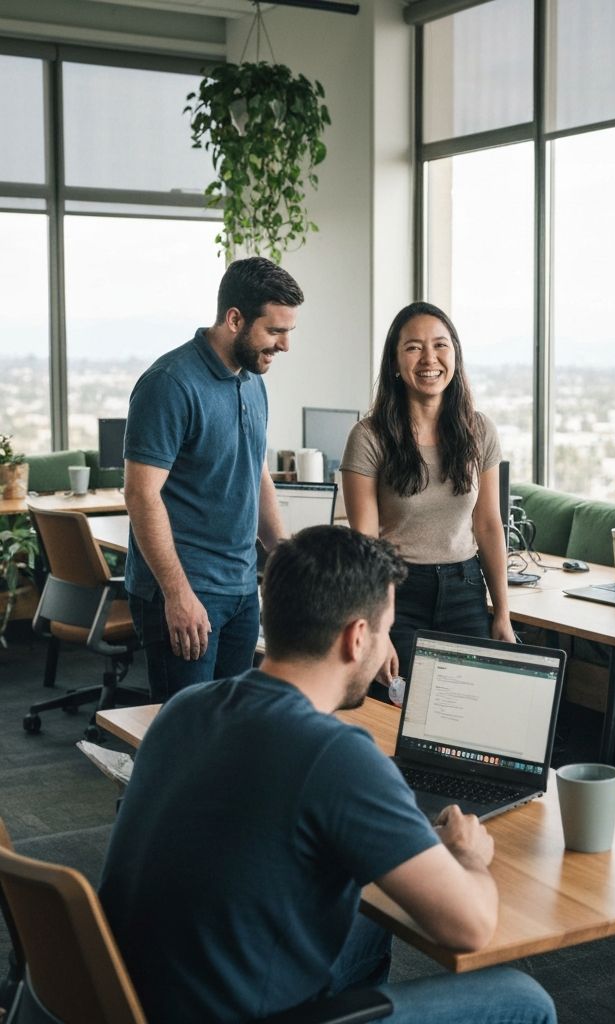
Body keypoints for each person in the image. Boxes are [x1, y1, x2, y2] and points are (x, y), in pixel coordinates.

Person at [99, 525, 556, 1024]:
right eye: (385, 634)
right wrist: (470, 858)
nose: (385, 652)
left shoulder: (186, 706)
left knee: (367, 913)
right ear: (358, 638)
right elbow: (469, 927)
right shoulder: (336, 754)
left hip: (128, 998)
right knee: (525, 1000)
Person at [123, 257, 302, 702]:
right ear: (234, 319)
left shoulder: (252, 379)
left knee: (227, 730)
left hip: (240, 588)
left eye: (288, 332)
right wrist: (178, 594)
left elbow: (254, 469)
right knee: (186, 738)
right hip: (186, 591)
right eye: (274, 331)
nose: (284, 346)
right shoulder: (170, 384)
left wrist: (279, 547)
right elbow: (141, 495)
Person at [342, 301, 514, 686]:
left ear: (455, 354)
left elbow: (487, 525)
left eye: (440, 345)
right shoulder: (368, 437)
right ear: (395, 363)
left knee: (466, 711)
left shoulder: (480, 430)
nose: (429, 358)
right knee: (399, 717)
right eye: (413, 347)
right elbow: (366, 544)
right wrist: (378, 627)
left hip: (465, 589)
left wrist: (501, 611)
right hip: (398, 593)